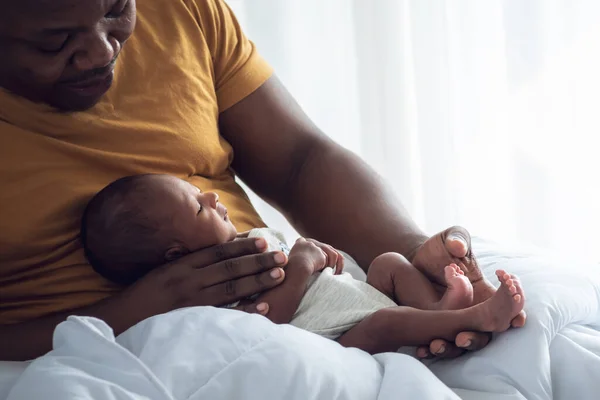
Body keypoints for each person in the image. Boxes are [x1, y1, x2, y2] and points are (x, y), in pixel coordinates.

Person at [0, 0, 525, 362]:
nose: (101, 50)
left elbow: (300, 160)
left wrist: (413, 251)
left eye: (116, 9)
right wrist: (127, 314)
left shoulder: (180, 11)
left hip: (309, 295)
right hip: (143, 347)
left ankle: (441, 307)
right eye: (54, 42)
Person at [80, 174, 525, 354]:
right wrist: (302, 261)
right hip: (342, 334)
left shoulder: (244, 241)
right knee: (385, 323)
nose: (212, 197)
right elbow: (267, 320)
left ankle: (440, 309)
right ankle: (471, 314)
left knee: (390, 262)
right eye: (199, 209)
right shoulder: (208, 288)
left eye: (200, 192)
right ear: (176, 255)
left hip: (357, 294)